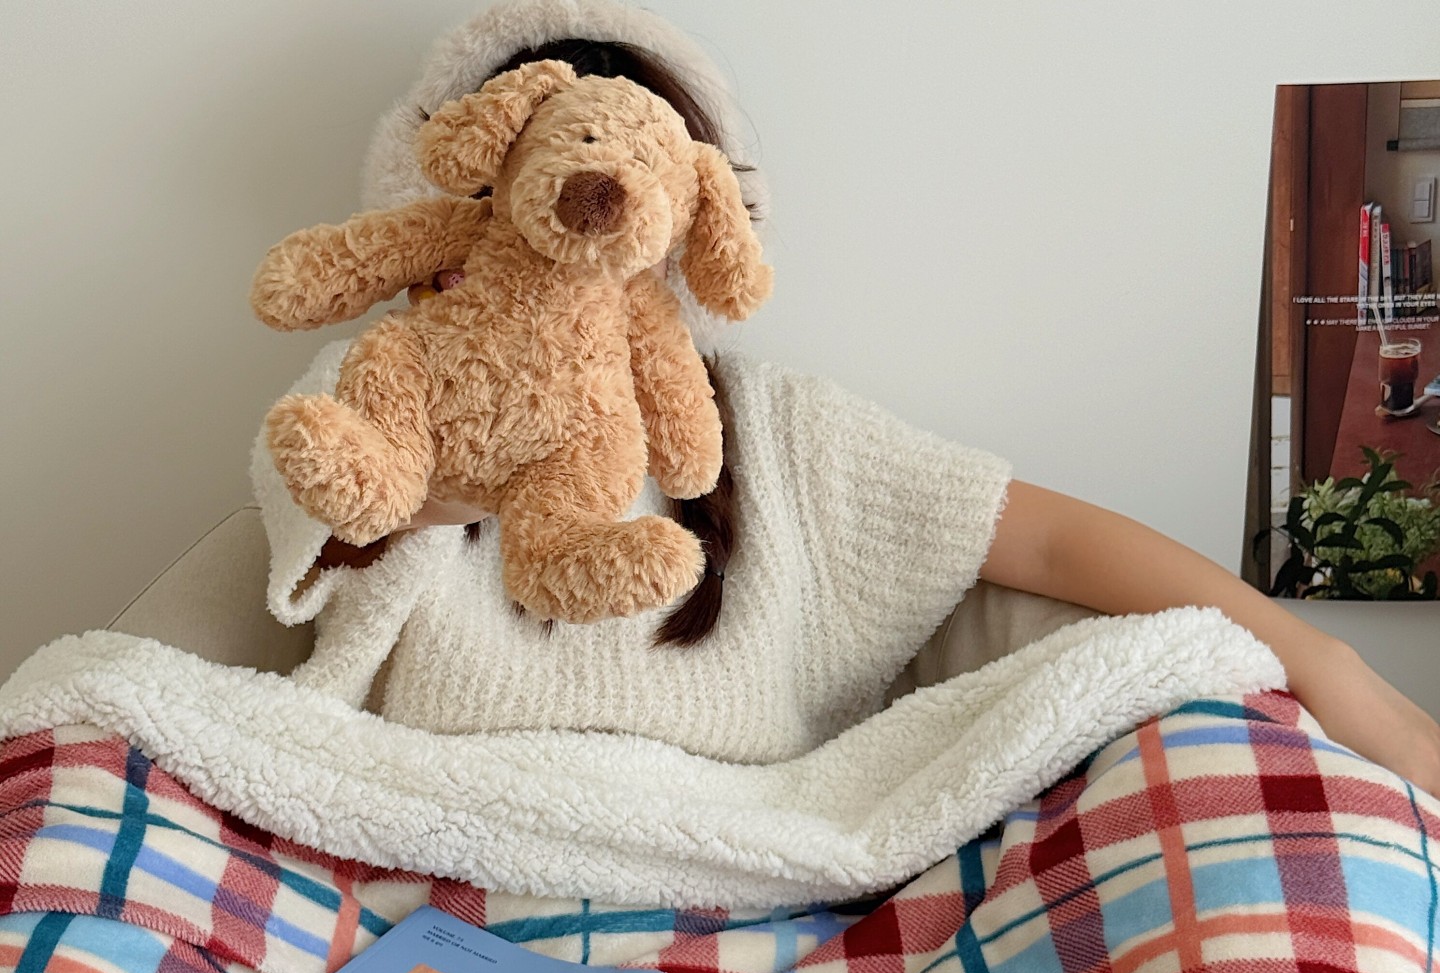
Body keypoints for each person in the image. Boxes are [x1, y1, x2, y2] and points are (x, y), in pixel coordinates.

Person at [257, 0, 1440, 800]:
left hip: (729, 861)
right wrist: (484, 407)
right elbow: (341, 495)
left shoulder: (769, 430)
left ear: (692, 228)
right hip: (436, 843)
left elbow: (1044, 537)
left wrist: (1319, 659)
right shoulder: (378, 381)